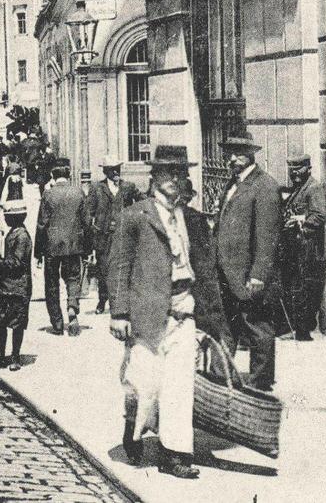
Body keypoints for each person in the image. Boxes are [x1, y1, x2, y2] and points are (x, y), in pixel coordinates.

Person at [108, 171, 224, 479]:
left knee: (179, 386)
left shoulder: (194, 220)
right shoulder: (135, 216)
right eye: (167, 173)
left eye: (179, 173)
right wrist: (119, 313)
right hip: (147, 314)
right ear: (155, 178)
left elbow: (207, 271)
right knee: (145, 383)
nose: (174, 180)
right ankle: (133, 424)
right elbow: (119, 264)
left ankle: (173, 454)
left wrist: (213, 322)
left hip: (184, 309)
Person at [214, 133, 282, 391]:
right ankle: (222, 381)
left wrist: (258, 275)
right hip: (227, 274)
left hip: (249, 276)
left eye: (238, 152)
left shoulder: (265, 186)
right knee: (227, 327)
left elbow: (267, 237)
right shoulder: (232, 184)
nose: (232, 158)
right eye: (229, 152)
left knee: (257, 328)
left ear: (251, 154)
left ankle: (260, 384)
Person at [36, 158, 88, 336]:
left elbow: (42, 224)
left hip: (52, 246)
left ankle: (57, 323)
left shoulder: (48, 195)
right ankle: (72, 306)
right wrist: (88, 249)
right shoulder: (79, 193)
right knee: (73, 278)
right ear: (69, 174)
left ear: (52, 175)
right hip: (74, 245)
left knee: (51, 283)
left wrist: (37, 252)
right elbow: (86, 223)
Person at [279, 153, 326, 341]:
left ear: (308, 169)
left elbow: (319, 217)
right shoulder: (298, 189)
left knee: (305, 289)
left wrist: (301, 221)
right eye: (292, 170)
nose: (294, 173)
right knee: (295, 288)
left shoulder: (313, 188)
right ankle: (297, 327)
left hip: (309, 250)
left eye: (298, 169)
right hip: (296, 248)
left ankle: (304, 330)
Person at [85, 157, 137, 314]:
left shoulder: (128, 187)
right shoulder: (97, 188)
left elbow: (143, 201)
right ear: (105, 171)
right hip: (103, 237)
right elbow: (89, 211)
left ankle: (121, 304)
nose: (116, 172)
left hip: (123, 235)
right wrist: (92, 230)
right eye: (112, 169)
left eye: (118, 168)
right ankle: (102, 301)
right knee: (103, 270)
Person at [0, 199, 32, 370]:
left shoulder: (22, 236)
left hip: (18, 287)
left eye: (7, 216)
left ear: (16, 217)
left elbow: (17, 263)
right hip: (4, 286)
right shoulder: (13, 232)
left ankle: (15, 357)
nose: (4, 219)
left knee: (16, 323)